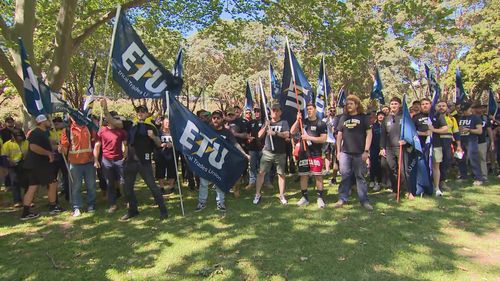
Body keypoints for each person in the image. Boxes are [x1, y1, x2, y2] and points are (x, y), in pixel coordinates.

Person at [101, 99, 168, 221]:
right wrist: (105, 110)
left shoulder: (151, 126)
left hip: (144, 162)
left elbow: (158, 143)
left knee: (153, 187)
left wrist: (153, 137)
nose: (140, 113)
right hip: (130, 161)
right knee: (127, 188)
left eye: (143, 111)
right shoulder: (130, 124)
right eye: (138, 111)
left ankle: (163, 210)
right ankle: (133, 210)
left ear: (147, 114)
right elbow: (113, 122)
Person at [196, 110, 248, 212]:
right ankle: (201, 203)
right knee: (203, 182)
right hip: (207, 161)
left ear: (222, 119)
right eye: (214, 118)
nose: (215, 120)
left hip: (221, 162)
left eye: (218, 118)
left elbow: (235, 144)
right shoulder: (207, 129)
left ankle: (220, 203)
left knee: (220, 182)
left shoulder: (227, 132)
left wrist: (244, 154)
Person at [21, 115, 64, 220]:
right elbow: (33, 147)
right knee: (53, 182)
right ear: (42, 121)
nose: (50, 122)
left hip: (36, 165)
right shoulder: (36, 133)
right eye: (48, 120)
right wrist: (48, 153)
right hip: (39, 165)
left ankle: (25, 213)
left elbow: (49, 145)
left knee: (33, 187)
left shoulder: (43, 133)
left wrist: (58, 147)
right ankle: (53, 206)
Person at [334, 95, 373, 210]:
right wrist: (338, 151)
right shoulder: (343, 118)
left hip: (360, 153)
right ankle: (342, 198)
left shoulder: (364, 118)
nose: (348, 105)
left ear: (357, 105)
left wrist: (366, 151)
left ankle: (364, 201)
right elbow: (339, 135)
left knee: (360, 176)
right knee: (345, 176)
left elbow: (369, 134)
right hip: (345, 153)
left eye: (351, 103)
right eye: (347, 104)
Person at [290, 103, 327, 208]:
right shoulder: (303, 122)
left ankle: (320, 198)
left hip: (316, 153)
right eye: (308, 109)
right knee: (303, 175)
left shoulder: (321, 123)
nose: (309, 111)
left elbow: (323, 139)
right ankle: (304, 197)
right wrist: (298, 120)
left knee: (318, 175)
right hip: (303, 153)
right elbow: (292, 131)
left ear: (315, 110)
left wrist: (309, 138)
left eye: (311, 109)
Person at [253, 103, 290, 205]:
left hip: (280, 153)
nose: (275, 112)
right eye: (273, 110)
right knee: (261, 173)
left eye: (277, 110)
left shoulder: (283, 122)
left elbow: (287, 134)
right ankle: (257, 194)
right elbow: (259, 136)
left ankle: (282, 195)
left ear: (280, 112)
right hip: (267, 152)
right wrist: (265, 127)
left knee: (281, 174)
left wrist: (276, 133)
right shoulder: (267, 123)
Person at [60, 117, 98, 217]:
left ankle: (91, 204)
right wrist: (61, 149)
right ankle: (76, 207)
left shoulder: (89, 127)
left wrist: (95, 157)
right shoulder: (67, 130)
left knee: (91, 185)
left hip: (89, 162)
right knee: (76, 186)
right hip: (75, 163)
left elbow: (94, 143)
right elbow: (65, 147)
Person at [413, 98, 448, 196]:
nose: (425, 105)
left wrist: (434, 130)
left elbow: (445, 128)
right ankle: (422, 187)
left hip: (436, 145)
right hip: (421, 147)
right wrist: (423, 133)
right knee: (422, 167)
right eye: (423, 104)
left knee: (436, 167)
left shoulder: (437, 115)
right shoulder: (416, 117)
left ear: (430, 104)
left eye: (427, 104)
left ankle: (436, 187)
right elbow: (412, 131)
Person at [93, 111, 128, 213]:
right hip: (106, 161)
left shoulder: (121, 131)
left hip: (119, 160)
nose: (116, 121)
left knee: (123, 181)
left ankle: (128, 200)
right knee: (110, 183)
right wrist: (96, 160)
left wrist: (124, 157)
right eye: (114, 119)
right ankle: (113, 204)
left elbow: (126, 146)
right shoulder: (102, 131)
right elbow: (97, 146)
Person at [380, 97, 410, 199]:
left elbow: (410, 132)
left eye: (396, 104)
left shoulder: (405, 117)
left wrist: (406, 141)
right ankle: (395, 190)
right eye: (392, 103)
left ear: (400, 105)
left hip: (401, 147)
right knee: (391, 169)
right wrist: (382, 148)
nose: (393, 105)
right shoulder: (386, 119)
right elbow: (383, 135)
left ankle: (407, 191)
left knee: (403, 170)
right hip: (389, 148)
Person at [457, 103, 485, 185]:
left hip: (471, 141)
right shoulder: (460, 118)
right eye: (462, 110)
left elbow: (480, 131)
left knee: (473, 159)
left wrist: (469, 130)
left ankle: (479, 178)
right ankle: (463, 176)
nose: (463, 112)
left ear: (470, 109)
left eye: (465, 110)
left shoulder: (476, 118)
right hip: (461, 141)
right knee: (460, 159)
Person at [437, 101, 462, 190]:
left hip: (447, 141)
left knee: (446, 161)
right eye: (439, 106)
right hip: (437, 141)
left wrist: (459, 146)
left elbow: (456, 133)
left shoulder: (452, 119)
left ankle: (442, 181)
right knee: (436, 162)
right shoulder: (433, 118)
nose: (441, 107)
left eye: (443, 106)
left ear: (447, 107)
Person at [245, 107, 271, 190]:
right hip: (252, 148)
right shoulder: (251, 122)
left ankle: (266, 182)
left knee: (264, 166)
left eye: (258, 111)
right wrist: (248, 137)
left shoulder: (265, 122)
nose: (256, 113)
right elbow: (247, 133)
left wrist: (267, 124)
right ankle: (252, 182)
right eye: (255, 111)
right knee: (252, 166)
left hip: (263, 147)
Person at [1, 128, 28, 207]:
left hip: (25, 164)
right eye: (17, 136)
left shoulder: (27, 142)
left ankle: (28, 199)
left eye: (21, 136)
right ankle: (17, 201)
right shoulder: (7, 144)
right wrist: (9, 161)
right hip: (13, 166)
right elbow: (4, 156)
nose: (20, 138)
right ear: (13, 136)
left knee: (27, 182)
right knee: (15, 182)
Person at [155, 118, 177, 194]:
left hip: (171, 154)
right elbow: (155, 141)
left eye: (169, 122)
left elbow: (177, 142)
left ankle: (171, 186)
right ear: (163, 123)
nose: (167, 124)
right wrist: (161, 144)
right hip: (161, 154)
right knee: (160, 170)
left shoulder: (173, 132)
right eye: (166, 122)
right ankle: (161, 187)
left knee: (172, 169)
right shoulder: (159, 132)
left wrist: (172, 145)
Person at [473, 104, 494, 181]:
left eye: (481, 108)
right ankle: (476, 175)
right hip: (472, 141)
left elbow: (489, 130)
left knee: (482, 158)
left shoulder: (485, 118)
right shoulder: (471, 118)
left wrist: (492, 141)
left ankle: (484, 176)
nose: (480, 109)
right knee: (474, 159)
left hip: (482, 141)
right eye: (478, 108)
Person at [369, 111, 385, 191]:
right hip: (374, 148)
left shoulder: (386, 126)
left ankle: (381, 181)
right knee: (374, 165)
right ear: (377, 117)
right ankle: (373, 180)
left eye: (382, 115)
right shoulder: (373, 126)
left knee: (382, 165)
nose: (381, 117)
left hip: (384, 148)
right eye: (379, 115)